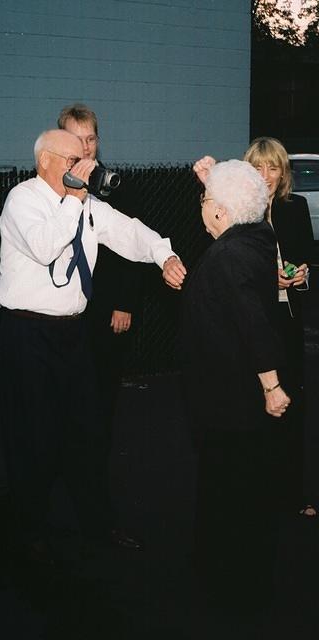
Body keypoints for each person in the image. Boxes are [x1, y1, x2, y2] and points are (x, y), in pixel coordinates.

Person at [0, 129, 186, 564]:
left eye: (85, 157)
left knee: (86, 431)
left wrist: (164, 255)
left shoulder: (85, 205)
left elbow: (130, 231)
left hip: (72, 333)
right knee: (32, 436)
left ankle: (98, 523)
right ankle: (30, 530)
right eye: (71, 158)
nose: (81, 166)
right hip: (26, 334)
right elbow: (45, 248)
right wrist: (76, 201)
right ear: (44, 160)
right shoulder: (22, 200)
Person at [165, 159, 290, 614]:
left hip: (230, 399)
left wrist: (271, 385)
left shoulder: (227, 256)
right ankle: (228, 574)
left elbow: (252, 323)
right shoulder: (257, 236)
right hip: (233, 399)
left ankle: (233, 591)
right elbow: (243, 205)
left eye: (205, 201)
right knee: (239, 487)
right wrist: (214, 184)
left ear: (219, 212)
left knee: (230, 490)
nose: (201, 208)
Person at [195, 138, 316, 516]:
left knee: (289, 406)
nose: (266, 176)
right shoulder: (241, 208)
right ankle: (259, 493)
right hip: (251, 322)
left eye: (273, 168)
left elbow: (307, 257)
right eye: (258, 167)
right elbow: (221, 251)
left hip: (286, 319)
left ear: (283, 173)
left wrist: (302, 276)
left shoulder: (294, 207)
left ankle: (294, 494)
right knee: (253, 407)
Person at [58, 103, 143, 436]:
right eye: (76, 139)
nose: (85, 146)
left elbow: (133, 247)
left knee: (102, 384)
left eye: (90, 138)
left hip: (106, 306)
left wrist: (125, 303)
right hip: (64, 308)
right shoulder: (51, 185)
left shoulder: (117, 186)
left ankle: (96, 452)